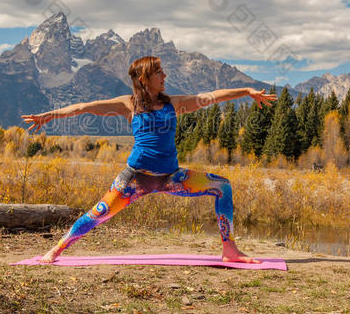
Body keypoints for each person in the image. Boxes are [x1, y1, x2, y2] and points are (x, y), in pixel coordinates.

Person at [21, 56, 277, 263]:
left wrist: (246, 90)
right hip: (134, 179)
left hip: (170, 177)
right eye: (159, 73)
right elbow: (83, 107)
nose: (164, 76)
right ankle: (56, 249)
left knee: (223, 186)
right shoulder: (128, 104)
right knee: (97, 214)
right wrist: (50, 115)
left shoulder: (173, 103)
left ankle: (230, 250)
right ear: (144, 79)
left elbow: (213, 96)